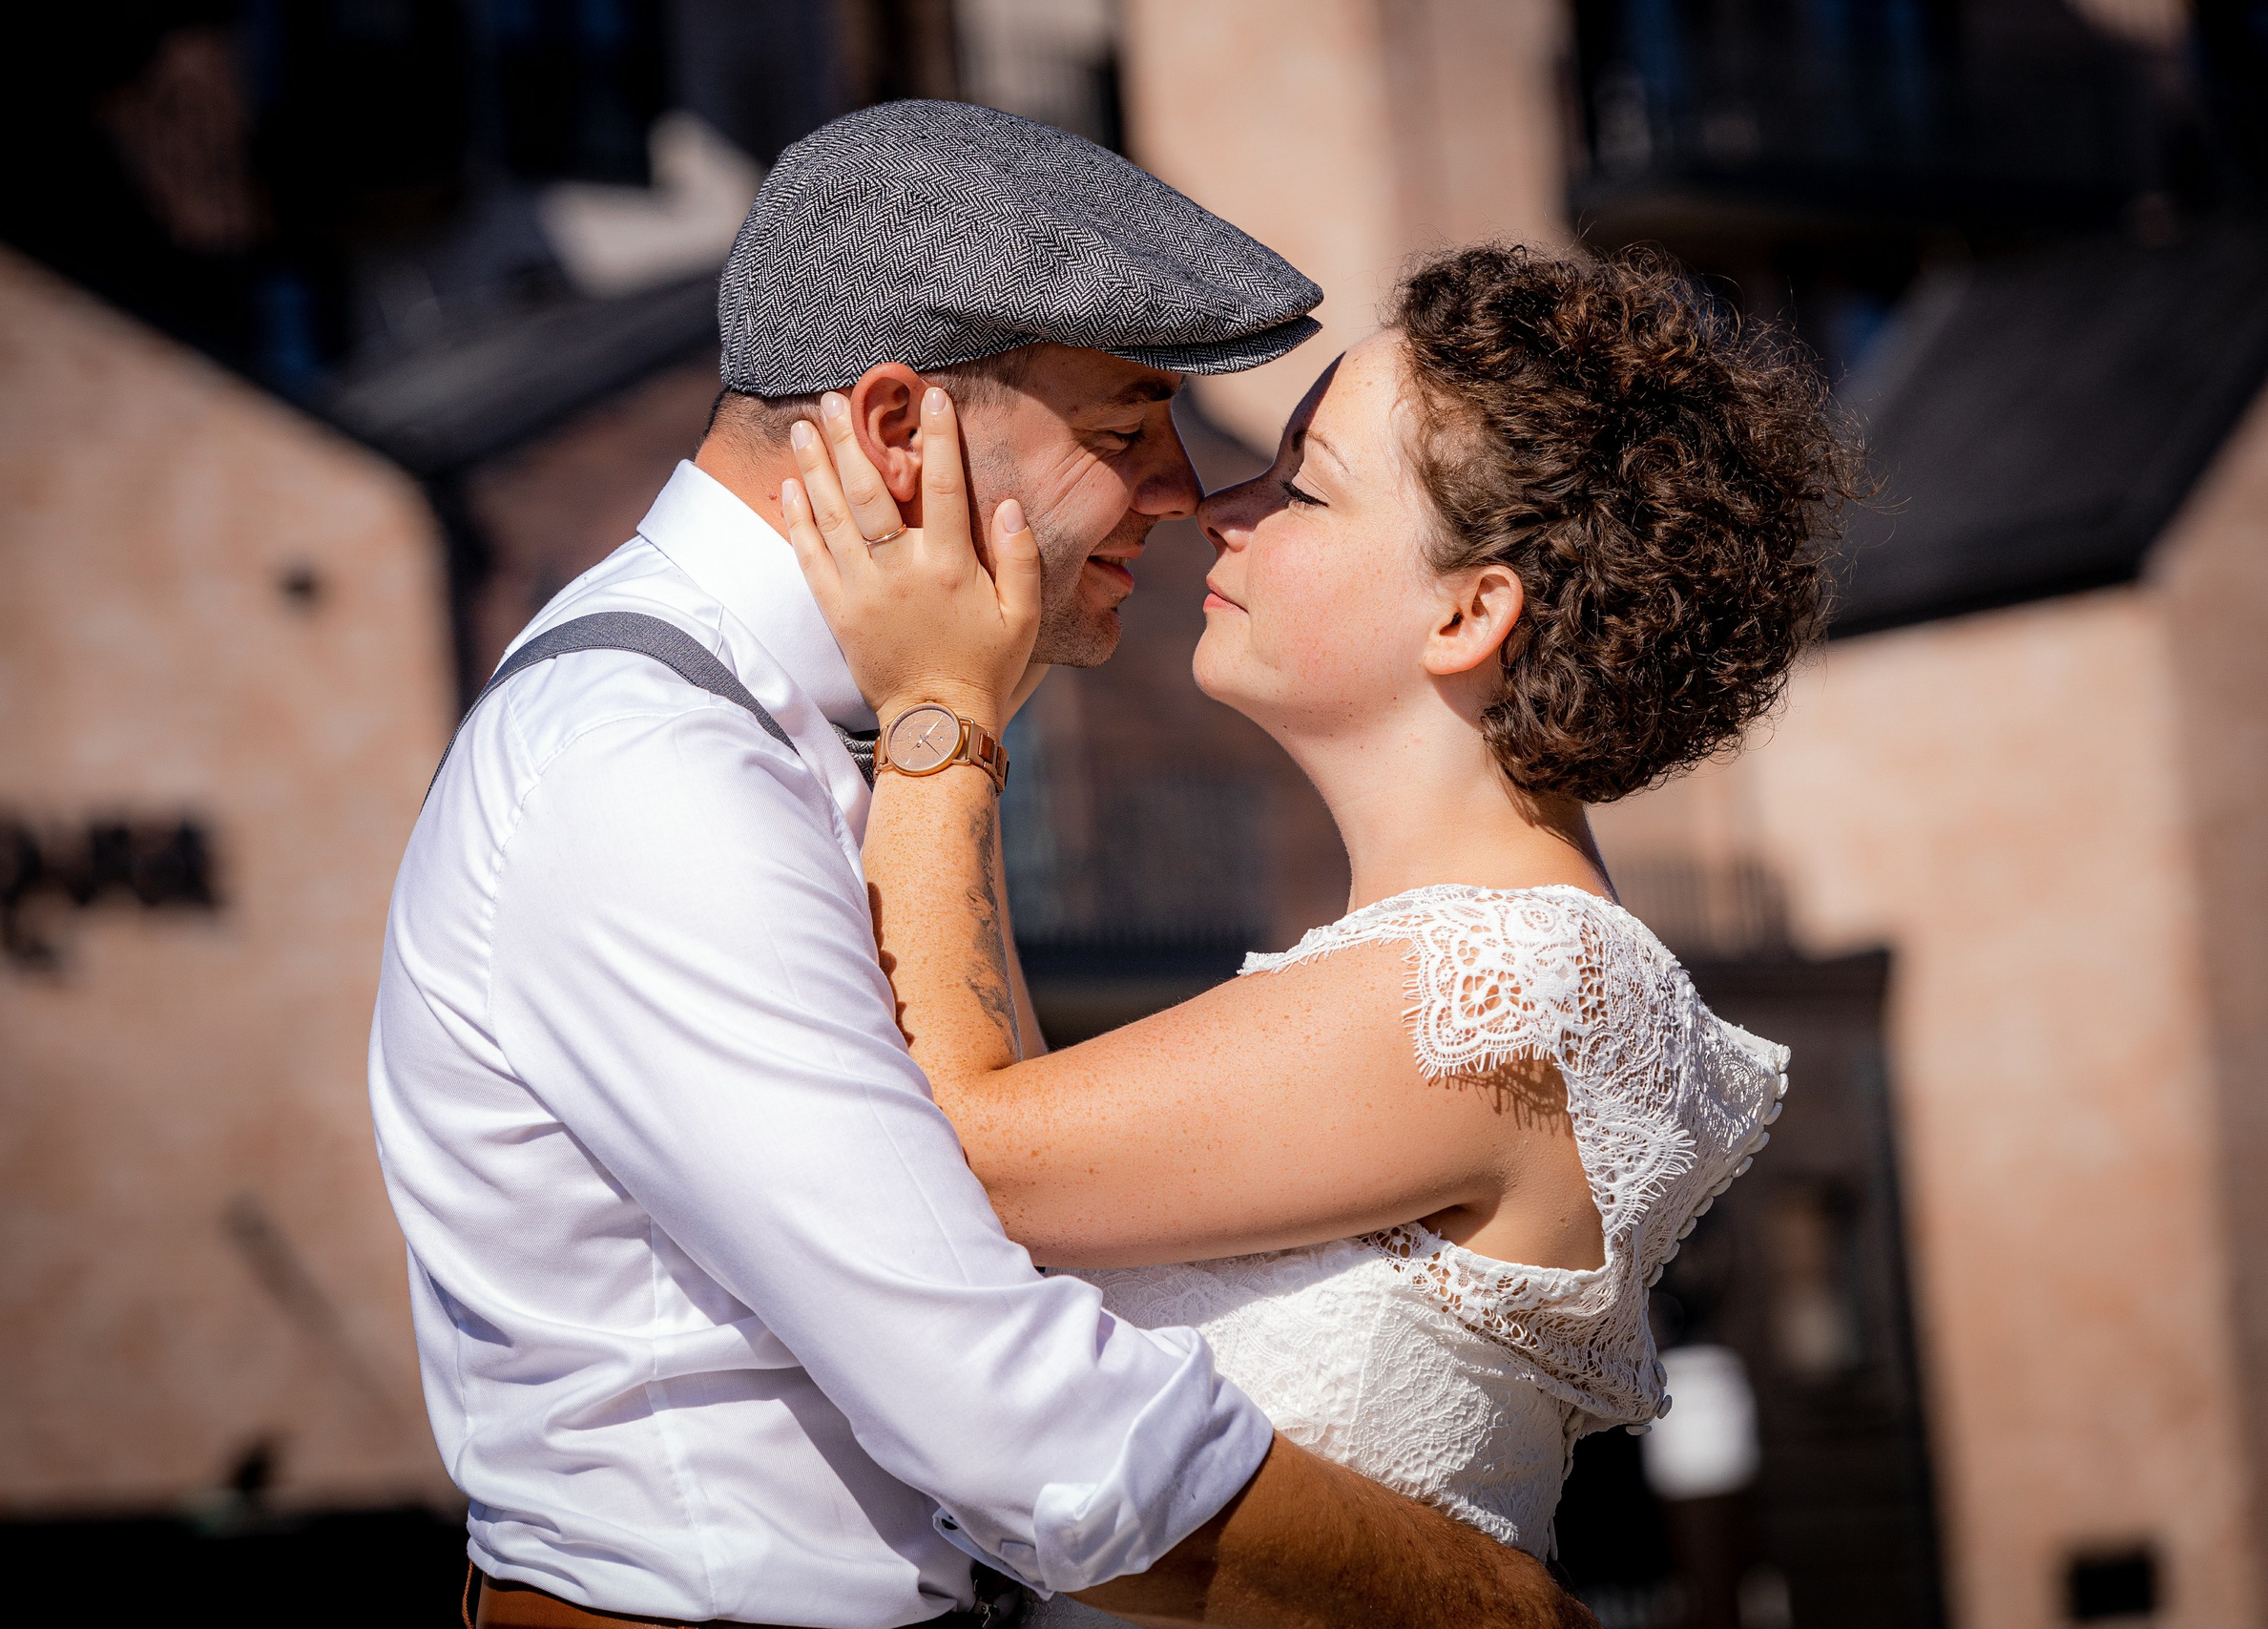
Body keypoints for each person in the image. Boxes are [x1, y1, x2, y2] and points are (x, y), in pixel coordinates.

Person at [370, 101, 1594, 1629]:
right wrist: (1495, 1610)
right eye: (1126, 426)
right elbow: (1007, 1412)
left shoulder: (831, 729)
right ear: (900, 432)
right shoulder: (649, 771)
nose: (1183, 491)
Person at [780, 241, 1860, 1624]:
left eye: (1300, 487)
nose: (1217, 510)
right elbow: (1021, 1140)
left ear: (1470, 614)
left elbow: (958, 1159)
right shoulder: (1459, 966)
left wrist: (939, 705)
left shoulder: (1510, 987)